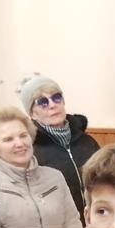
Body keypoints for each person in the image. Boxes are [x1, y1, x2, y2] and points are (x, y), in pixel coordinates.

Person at [20, 74, 100, 218]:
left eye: (56, 97)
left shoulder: (88, 142)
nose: (52, 105)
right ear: (32, 114)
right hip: (59, 226)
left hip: (96, 222)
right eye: (43, 102)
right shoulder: (30, 152)